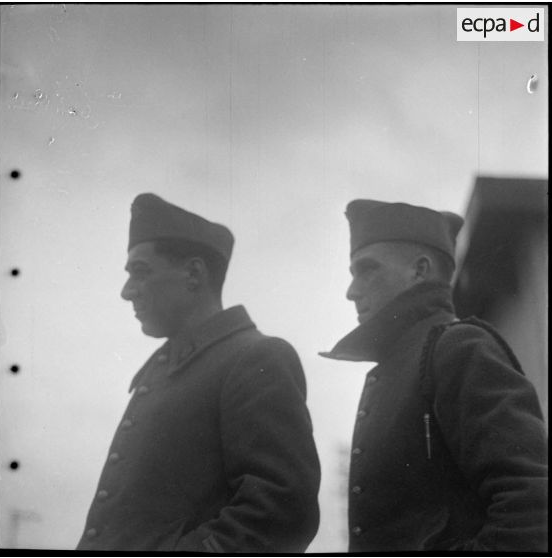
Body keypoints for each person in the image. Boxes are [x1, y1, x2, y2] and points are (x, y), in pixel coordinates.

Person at [77, 193, 321, 552]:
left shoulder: (255, 357)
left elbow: (281, 510)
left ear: (193, 273)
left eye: (140, 272)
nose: (127, 291)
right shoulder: (165, 369)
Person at [321, 199, 548, 552]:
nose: (352, 291)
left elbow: (532, 502)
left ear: (420, 270)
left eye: (367, 269)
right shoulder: (397, 366)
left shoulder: (459, 347)